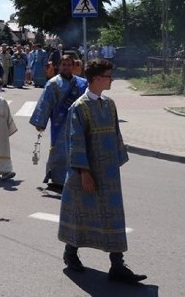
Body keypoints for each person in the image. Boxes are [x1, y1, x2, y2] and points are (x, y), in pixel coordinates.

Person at [59, 58, 146, 283]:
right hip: (86, 174)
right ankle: (70, 253)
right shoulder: (79, 107)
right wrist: (84, 172)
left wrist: (117, 160)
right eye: (108, 76)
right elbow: (74, 142)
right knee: (81, 214)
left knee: (113, 216)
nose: (111, 79)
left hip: (108, 174)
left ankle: (117, 265)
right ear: (97, 78)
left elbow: (116, 134)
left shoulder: (109, 104)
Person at [30, 53, 88, 191]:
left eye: (69, 65)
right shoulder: (53, 83)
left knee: (77, 149)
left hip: (78, 123)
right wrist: (40, 122)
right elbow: (45, 102)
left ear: (73, 66)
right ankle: (57, 178)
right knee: (59, 150)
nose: (66, 67)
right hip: (59, 124)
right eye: (64, 64)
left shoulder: (81, 83)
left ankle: (76, 177)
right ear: (59, 66)